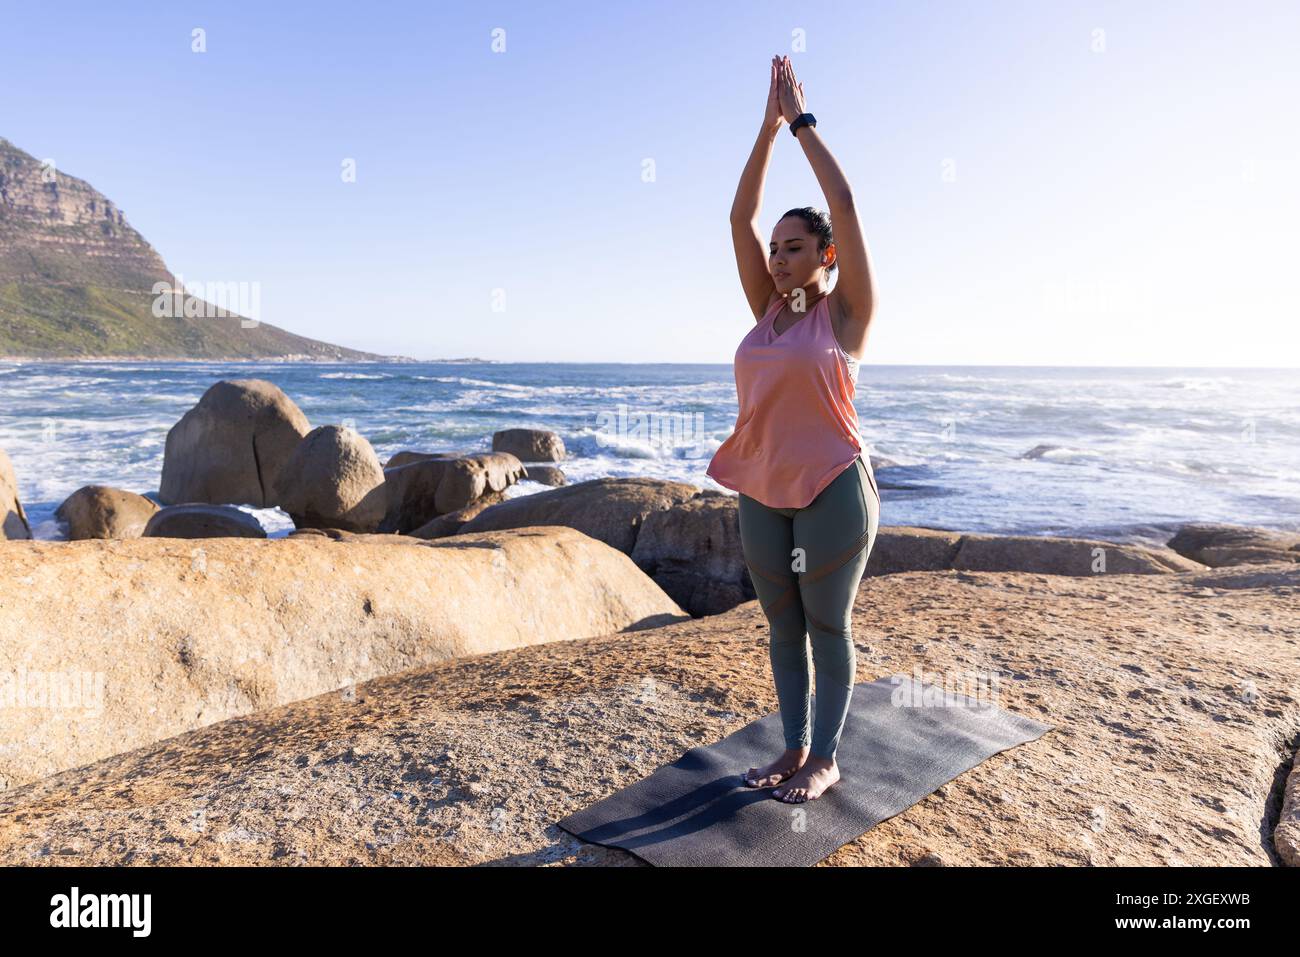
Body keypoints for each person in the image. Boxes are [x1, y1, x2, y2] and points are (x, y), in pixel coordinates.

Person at [706, 54, 881, 803]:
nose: (778, 260)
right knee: (782, 627)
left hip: (834, 488)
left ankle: (827, 756)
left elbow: (843, 200)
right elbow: (738, 219)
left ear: (827, 255)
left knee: (825, 625)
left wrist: (803, 121)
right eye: (776, 250)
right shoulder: (767, 311)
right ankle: (793, 746)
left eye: (795, 248)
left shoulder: (847, 316)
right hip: (762, 488)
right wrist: (766, 128)